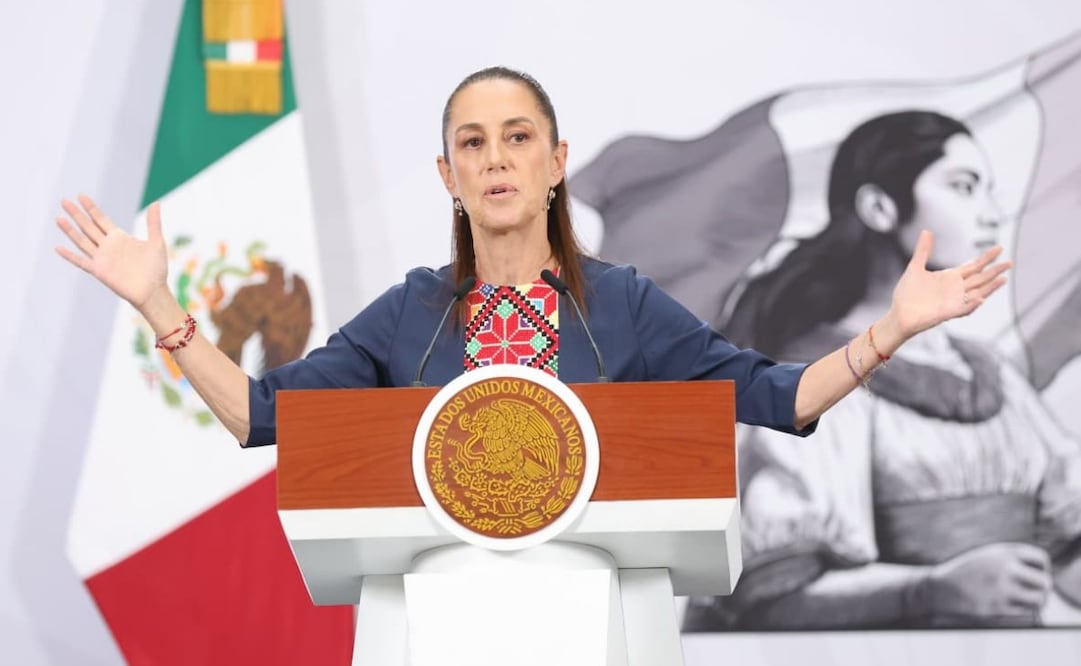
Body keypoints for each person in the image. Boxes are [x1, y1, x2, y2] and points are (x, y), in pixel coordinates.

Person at [55, 69, 1007, 461]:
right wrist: (158, 305)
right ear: (448, 174)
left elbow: (779, 399)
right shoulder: (408, 315)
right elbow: (258, 416)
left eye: (518, 138)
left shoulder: (627, 304)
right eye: (472, 143)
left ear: (557, 164)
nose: (495, 157)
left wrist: (887, 332)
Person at [681, 111, 1081, 630]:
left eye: (988, 190)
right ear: (880, 207)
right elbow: (774, 594)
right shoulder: (816, 379)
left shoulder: (990, 373)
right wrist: (932, 590)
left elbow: (1066, 545)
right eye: (964, 187)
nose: (991, 214)